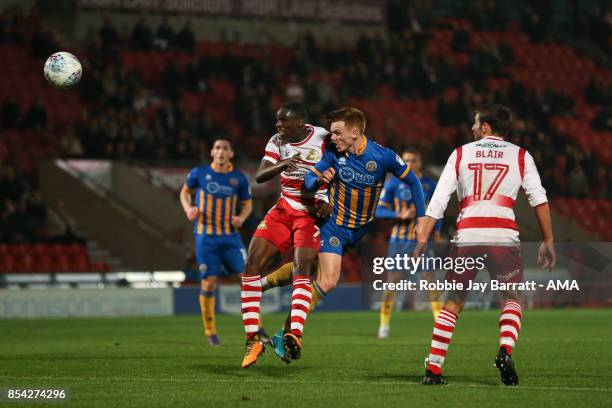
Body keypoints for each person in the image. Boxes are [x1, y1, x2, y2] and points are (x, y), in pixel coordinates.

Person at [415, 103, 555, 386]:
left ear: (486, 127)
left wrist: (421, 238)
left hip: (467, 234)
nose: (472, 128)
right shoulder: (521, 155)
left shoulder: (461, 153)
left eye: (476, 123)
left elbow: (439, 200)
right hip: (503, 236)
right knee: (512, 299)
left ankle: (434, 368)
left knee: (452, 303)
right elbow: (538, 199)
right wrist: (548, 239)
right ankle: (505, 350)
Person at [240, 103, 330, 369]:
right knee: (251, 264)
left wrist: (330, 199)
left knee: (302, 269)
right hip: (283, 208)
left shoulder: (324, 138)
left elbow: (342, 170)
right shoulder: (278, 142)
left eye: (283, 122)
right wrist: (284, 163)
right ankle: (252, 339)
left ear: (300, 123)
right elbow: (259, 175)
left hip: (310, 212)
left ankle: (295, 334)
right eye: (277, 121)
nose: (278, 126)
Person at [180, 139, 252, 347]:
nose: (221, 151)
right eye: (218, 148)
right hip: (206, 236)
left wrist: (241, 218)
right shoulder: (199, 173)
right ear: (212, 152)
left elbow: (247, 204)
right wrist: (188, 209)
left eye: (225, 148)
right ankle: (210, 331)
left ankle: (254, 325)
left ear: (231, 154)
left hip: (230, 236)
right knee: (209, 281)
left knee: (245, 279)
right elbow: (184, 193)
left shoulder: (238, 178)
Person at [375, 147, 443, 340]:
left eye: (413, 160)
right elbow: (378, 211)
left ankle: (439, 323)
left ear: (420, 162)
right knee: (392, 281)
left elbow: (439, 211)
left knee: (430, 280)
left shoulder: (430, 184)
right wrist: (399, 214)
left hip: (423, 241)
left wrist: (437, 231)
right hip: (399, 241)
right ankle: (384, 324)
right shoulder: (394, 183)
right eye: (406, 161)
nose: (410, 164)